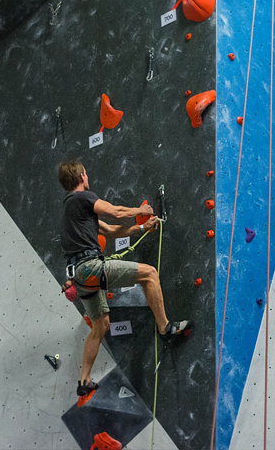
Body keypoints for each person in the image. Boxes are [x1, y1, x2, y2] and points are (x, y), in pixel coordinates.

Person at [58, 160, 191, 396]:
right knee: (149, 274)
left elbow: (111, 231)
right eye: (86, 174)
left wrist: (141, 228)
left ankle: (84, 380)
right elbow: (116, 212)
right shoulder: (82, 198)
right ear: (82, 177)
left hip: (80, 276)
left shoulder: (73, 213)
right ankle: (165, 328)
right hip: (90, 268)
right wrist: (140, 211)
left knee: (100, 326)